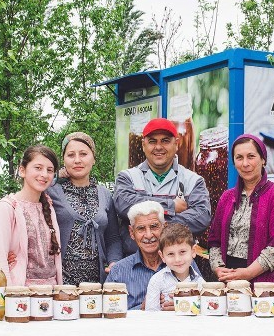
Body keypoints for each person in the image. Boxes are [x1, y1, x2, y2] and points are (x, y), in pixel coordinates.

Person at [114, 117, 211, 255]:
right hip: (134, 264)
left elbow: (201, 217)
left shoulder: (193, 180)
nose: (158, 147)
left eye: (165, 141)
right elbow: (123, 204)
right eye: (152, 141)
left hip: (177, 264)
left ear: (176, 144)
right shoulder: (127, 177)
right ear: (143, 145)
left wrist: (153, 223)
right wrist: (170, 206)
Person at [208, 134, 274, 285]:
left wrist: (248, 273)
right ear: (234, 162)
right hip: (229, 281)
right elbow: (214, 240)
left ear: (263, 160)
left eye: (251, 156)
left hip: (264, 284)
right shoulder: (227, 198)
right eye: (239, 158)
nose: (245, 163)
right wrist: (218, 268)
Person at [46, 132, 122, 285]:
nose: (77, 160)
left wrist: (115, 261)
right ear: (63, 160)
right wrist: (56, 177)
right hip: (61, 283)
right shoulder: (51, 190)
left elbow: (113, 237)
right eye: (71, 155)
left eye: (83, 154)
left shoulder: (105, 194)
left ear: (93, 158)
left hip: (97, 284)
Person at [0, 145, 63, 286]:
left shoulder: (48, 207)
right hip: (20, 296)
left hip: (52, 294)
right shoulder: (6, 208)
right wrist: (11, 298)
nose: (44, 174)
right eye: (38, 168)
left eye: (50, 170)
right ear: (22, 170)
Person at [145, 223, 205, 311]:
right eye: (170, 254)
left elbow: (206, 313)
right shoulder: (157, 280)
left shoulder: (200, 283)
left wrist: (183, 307)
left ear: (193, 251)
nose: (177, 259)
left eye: (182, 252)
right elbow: (151, 314)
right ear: (162, 256)